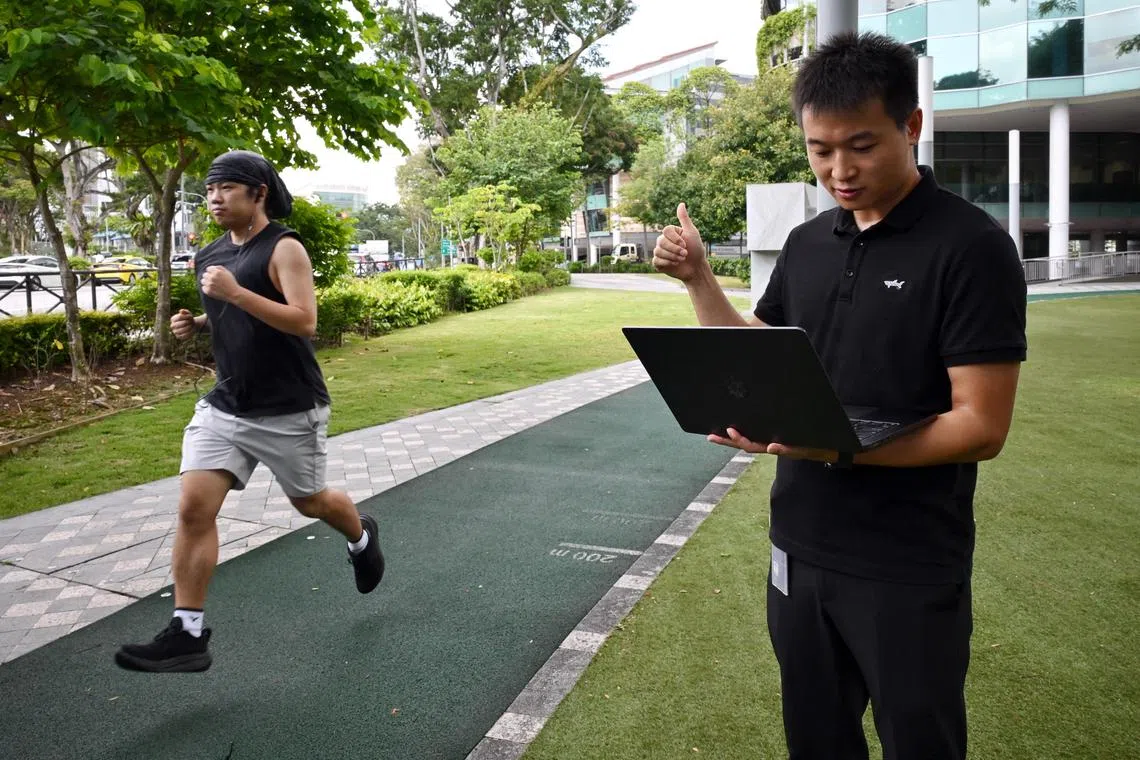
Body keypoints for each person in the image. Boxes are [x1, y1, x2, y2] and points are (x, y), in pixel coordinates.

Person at [653, 32, 1026, 760]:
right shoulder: (807, 243)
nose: (838, 170)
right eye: (820, 150)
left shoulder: (971, 248)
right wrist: (699, 278)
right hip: (800, 541)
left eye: (859, 145)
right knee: (816, 741)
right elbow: (754, 356)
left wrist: (837, 450)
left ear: (910, 127)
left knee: (921, 743)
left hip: (907, 560)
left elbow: (981, 426)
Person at [115, 150, 385, 673]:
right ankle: (187, 633)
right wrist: (199, 324)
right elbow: (237, 324)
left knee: (311, 503)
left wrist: (236, 294)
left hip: (287, 408)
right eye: (209, 190)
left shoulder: (284, 248)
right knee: (194, 508)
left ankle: (361, 535)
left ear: (258, 194)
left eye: (227, 189)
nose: (214, 198)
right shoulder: (210, 254)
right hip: (227, 404)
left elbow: (304, 321)